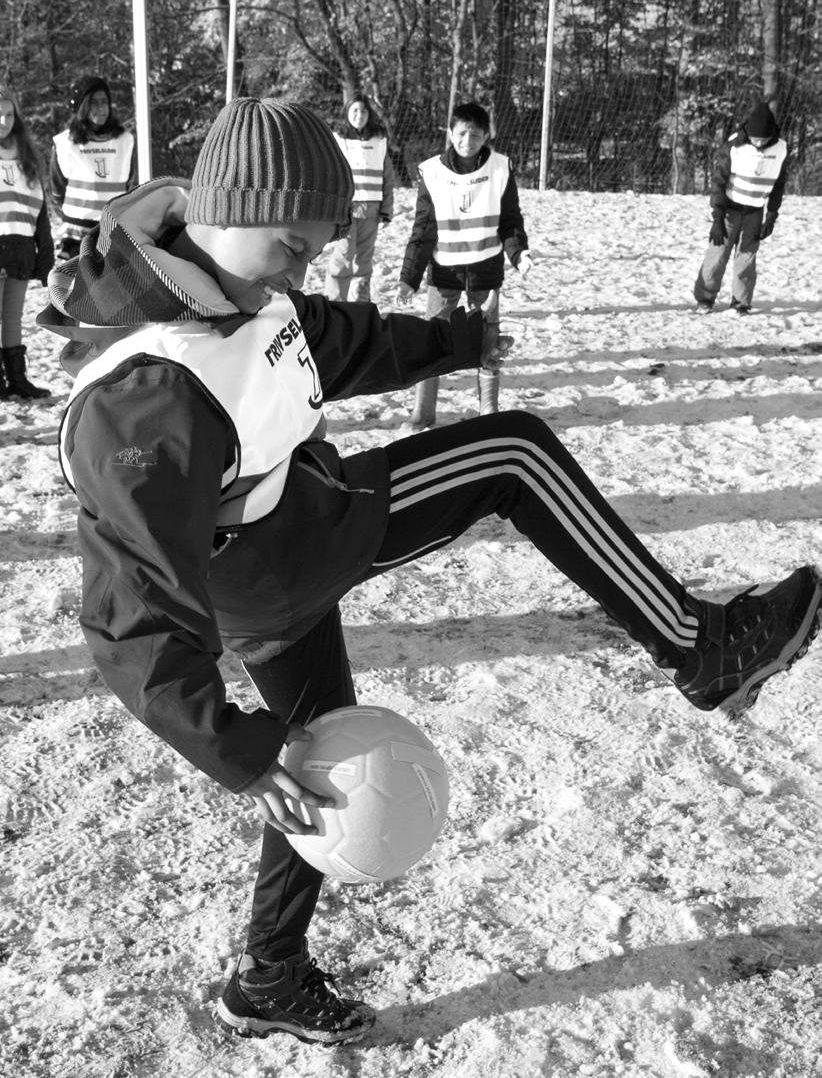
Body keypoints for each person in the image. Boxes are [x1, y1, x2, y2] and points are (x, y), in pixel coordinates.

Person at [40, 98, 821, 1047]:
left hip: (290, 536)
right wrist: (231, 749)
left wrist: (455, 342)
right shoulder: (145, 397)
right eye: (292, 245)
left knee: (320, 761)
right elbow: (133, 619)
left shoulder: (237, 285)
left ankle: (268, 974)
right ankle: (703, 647)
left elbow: (333, 339)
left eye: (316, 248)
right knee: (514, 457)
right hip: (285, 557)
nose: (304, 266)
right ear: (228, 210)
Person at [397, 101, 533, 430]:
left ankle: (489, 412)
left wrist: (519, 254)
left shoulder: (500, 168)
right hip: (443, 274)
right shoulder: (431, 171)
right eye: (461, 133)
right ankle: (423, 414)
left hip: (486, 272)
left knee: (489, 340)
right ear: (450, 134)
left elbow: (510, 221)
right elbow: (423, 229)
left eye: (475, 134)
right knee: (433, 341)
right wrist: (408, 278)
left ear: (487, 135)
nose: (467, 140)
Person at [693, 100, 788, 315]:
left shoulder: (780, 148)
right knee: (717, 254)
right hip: (729, 209)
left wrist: (771, 216)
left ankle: (741, 302)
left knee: (747, 257)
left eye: (764, 140)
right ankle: (705, 298)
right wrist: (717, 218)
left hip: (755, 210)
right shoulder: (734, 146)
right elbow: (718, 181)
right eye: (756, 139)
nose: (759, 143)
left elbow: (779, 183)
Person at [0, 82, 53, 400]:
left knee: (13, 316)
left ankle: (16, 378)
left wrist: (45, 252)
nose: (4, 121)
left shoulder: (26, 154)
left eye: (8, 115)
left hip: (20, 248)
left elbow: (39, 209)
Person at [50, 75, 136, 262]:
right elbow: (57, 190)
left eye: (104, 102)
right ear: (82, 107)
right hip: (77, 234)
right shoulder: (66, 143)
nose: (101, 109)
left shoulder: (125, 141)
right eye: (94, 103)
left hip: (113, 230)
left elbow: (131, 183)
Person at [324, 92, 394, 303]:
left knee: (365, 257)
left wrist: (387, 208)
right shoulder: (338, 139)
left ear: (369, 114)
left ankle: (360, 305)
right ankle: (334, 303)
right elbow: (329, 174)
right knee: (344, 255)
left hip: (371, 209)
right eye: (355, 110)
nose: (359, 114)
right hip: (345, 208)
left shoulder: (379, 140)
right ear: (347, 113)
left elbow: (387, 176)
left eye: (363, 110)